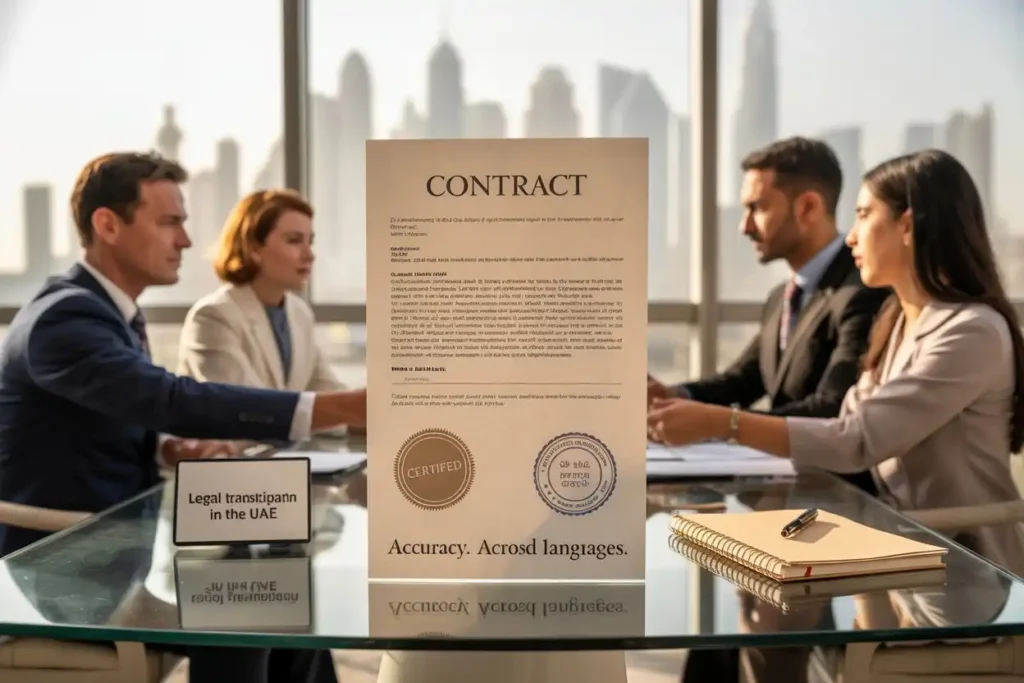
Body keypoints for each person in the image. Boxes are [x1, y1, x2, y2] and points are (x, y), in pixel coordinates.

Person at [0, 151, 364, 683]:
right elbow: (172, 398)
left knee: (284, 604)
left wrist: (167, 447)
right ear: (108, 225)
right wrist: (338, 408)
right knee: (251, 613)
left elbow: (127, 411)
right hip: (60, 577)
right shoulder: (66, 319)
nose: (187, 240)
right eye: (170, 221)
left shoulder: (107, 314)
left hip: (112, 557)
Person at [649, 148, 1024, 568]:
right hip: (905, 549)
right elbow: (843, 423)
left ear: (907, 225)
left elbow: (855, 439)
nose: (850, 235)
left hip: (971, 568)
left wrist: (723, 424)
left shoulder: (970, 332)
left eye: (864, 215)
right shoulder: (896, 321)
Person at [648, 137, 889, 493]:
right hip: (785, 487)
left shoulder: (862, 292)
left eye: (757, 208)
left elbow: (832, 411)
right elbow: (743, 380)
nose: (744, 226)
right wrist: (672, 393)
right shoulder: (783, 296)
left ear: (807, 207)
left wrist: (718, 425)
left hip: (839, 498)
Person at [177, 189, 345, 393]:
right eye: (294, 240)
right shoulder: (213, 317)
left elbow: (329, 391)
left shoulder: (299, 313)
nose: (309, 255)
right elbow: (247, 407)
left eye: (310, 242)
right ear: (254, 248)